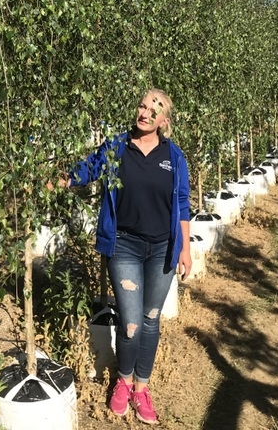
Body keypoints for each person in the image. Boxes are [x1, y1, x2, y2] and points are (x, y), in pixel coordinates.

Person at [67, 89, 192, 425]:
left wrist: (185, 248)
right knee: (132, 322)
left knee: (151, 319)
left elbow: (182, 203)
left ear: (164, 121)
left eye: (155, 109)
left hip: (162, 249)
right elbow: (90, 169)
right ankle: (123, 381)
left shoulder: (174, 157)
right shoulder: (117, 146)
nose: (145, 113)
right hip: (125, 246)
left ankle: (142, 388)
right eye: (142, 105)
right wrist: (59, 181)